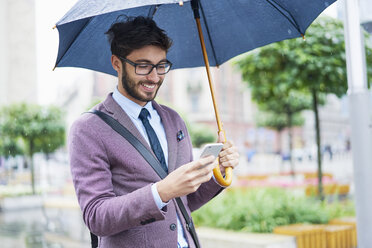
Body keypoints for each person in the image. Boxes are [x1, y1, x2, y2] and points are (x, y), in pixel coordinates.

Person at [68, 16, 239, 248]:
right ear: (117, 63)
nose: (154, 76)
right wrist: (160, 191)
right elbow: (96, 217)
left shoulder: (174, 119)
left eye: (161, 66)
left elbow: (183, 202)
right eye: (143, 66)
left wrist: (218, 172)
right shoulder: (88, 129)